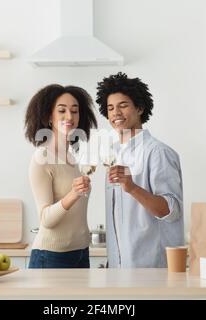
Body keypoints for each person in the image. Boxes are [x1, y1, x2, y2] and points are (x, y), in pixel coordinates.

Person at [95, 72, 184, 268]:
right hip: (118, 268)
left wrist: (132, 188)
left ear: (140, 108)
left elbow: (172, 210)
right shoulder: (113, 156)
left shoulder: (158, 152)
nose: (115, 113)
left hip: (150, 268)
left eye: (123, 105)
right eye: (110, 108)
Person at [25, 84, 98, 268]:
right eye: (62, 111)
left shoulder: (72, 157)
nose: (70, 117)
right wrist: (73, 194)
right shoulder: (41, 158)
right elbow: (46, 220)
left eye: (75, 111)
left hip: (81, 252)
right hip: (52, 256)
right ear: (49, 116)